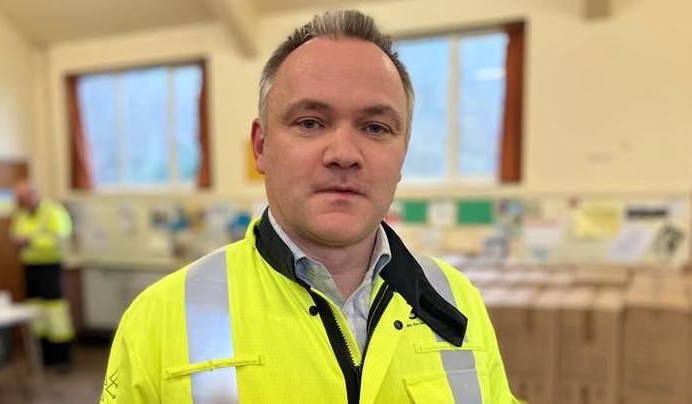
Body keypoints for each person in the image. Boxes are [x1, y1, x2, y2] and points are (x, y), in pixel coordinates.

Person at [101, 10, 516, 403]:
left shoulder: (458, 302)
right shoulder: (159, 320)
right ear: (261, 146)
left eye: (375, 127)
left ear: (403, 153)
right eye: (310, 123)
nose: (344, 153)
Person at [9, 179, 75, 367]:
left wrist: (30, 241)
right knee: (36, 310)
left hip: (50, 266)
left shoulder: (53, 211)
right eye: (18, 199)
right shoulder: (20, 215)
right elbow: (14, 234)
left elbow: (59, 239)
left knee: (55, 310)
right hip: (30, 267)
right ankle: (43, 355)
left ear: (33, 194)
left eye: (23, 198)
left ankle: (62, 357)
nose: (20, 202)